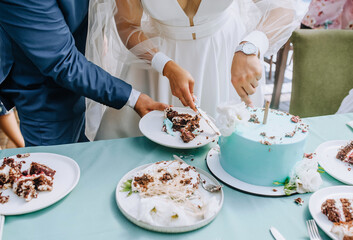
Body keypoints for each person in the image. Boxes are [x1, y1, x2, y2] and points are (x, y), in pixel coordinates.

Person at [85, 0, 307, 140]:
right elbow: (127, 24)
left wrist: (251, 46)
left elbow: (285, 7)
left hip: (225, 55)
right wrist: (164, 64)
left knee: (229, 152)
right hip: (158, 60)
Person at [0, 0, 168, 146]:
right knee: (52, 174)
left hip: (84, 84)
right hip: (45, 99)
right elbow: (63, 61)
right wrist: (135, 98)